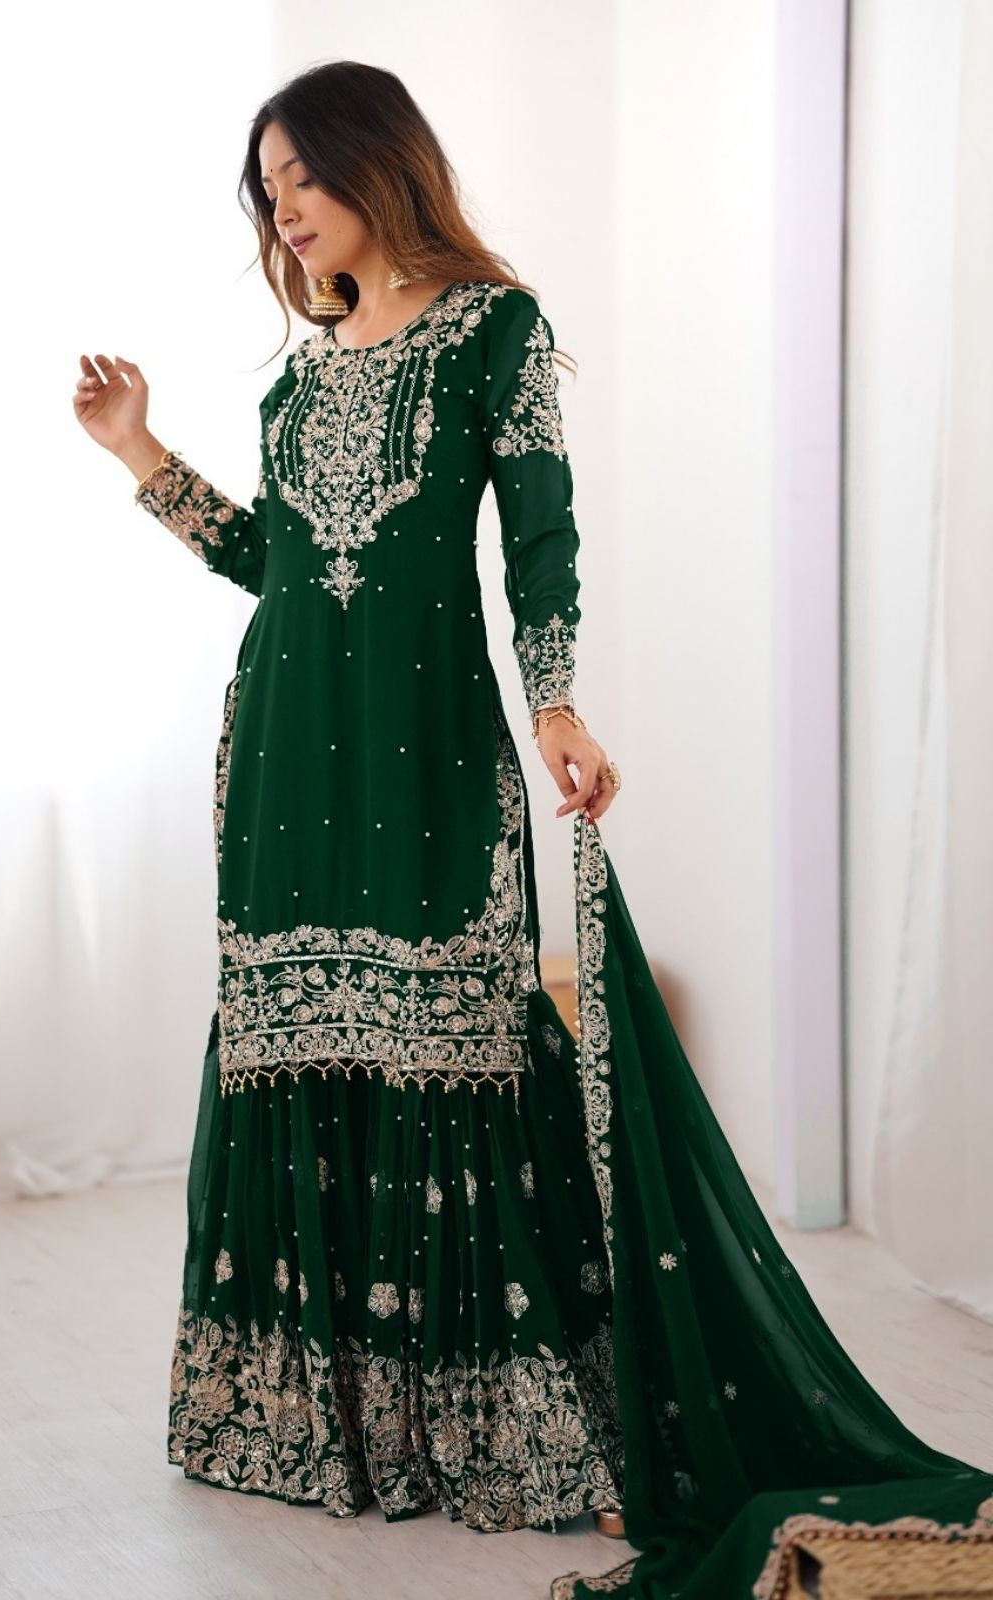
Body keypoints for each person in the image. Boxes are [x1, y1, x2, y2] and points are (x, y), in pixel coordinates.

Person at [73, 59, 993, 1600]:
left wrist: (556, 700)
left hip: (428, 762)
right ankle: (323, 1425)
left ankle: (491, 1431)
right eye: (268, 185)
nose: (282, 207)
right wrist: (140, 457)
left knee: (456, 1053)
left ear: (381, 164)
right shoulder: (295, 384)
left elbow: (542, 532)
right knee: (307, 1050)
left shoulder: (497, 332)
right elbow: (277, 570)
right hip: (288, 770)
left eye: (302, 173)